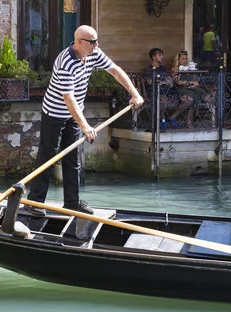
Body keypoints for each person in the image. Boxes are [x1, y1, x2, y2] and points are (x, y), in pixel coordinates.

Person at [24, 25, 144, 216]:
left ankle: (72, 203)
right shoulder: (65, 62)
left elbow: (115, 70)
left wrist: (135, 93)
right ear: (79, 42)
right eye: (92, 42)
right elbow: (68, 98)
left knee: (73, 158)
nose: (97, 45)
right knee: (47, 156)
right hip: (54, 113)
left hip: (75, 113)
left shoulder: (94, 53)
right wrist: (85, 125)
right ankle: (34, 203)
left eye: (97, 41)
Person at [171, 50, 213, 129]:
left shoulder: (188, 68)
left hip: (190, 87)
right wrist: (189, 82)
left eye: (186, 59)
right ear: (178, 59)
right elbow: (178, 82)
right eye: (183, 59)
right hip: (180, 88)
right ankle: (187, 121)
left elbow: (195, 79)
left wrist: (195, 82)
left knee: (199, 92)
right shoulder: (175, 69)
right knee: (192, 96)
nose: (184, 61)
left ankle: (210, 105)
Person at [144, 48, 183, 129]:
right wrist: (164, 82)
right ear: (154, 57)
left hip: (167, 90)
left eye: (162, 55)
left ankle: (172, 118)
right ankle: (162, 121)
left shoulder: (163, 68)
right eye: (159, 55)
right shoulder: (149, 69)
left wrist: (170, 81)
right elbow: (150, 82)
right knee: (163, 101)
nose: (162, 57)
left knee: (186, 98)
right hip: (155, 91)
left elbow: (170, 82)